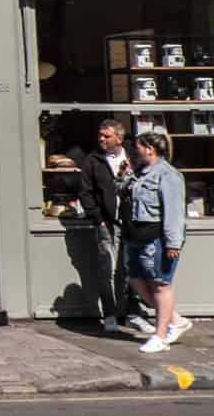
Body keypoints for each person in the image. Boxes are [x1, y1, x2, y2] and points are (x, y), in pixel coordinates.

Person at [126, 131, 190, 354]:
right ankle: (176, 321)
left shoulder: (168, 175)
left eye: (138, 147)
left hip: (156, 238)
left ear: (150, 149)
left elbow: (174, 212)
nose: (136, 151)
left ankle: (160, 336)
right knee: (136, 281)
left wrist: (173, 243)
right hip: (136, 236)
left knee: (161, 284)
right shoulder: (139, 173)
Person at [80, 118, 136, 334]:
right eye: (100, 135)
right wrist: (98, 219)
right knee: (107, 269)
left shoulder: (133, 156)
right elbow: (86, 192)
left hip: (133, 222)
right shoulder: (93, 160)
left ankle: (133, 314)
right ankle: (110, 314)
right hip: (107, 222)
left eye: (106, 136)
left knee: (133, 269)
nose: (101, 139)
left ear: (119, 138)